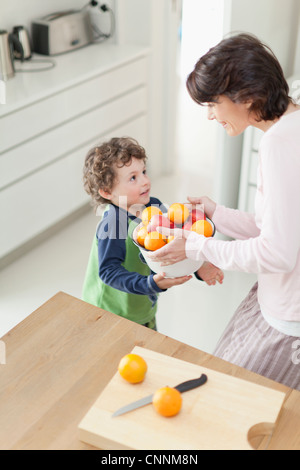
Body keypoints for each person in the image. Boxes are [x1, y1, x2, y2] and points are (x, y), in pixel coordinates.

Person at [148, 33, 300, 390]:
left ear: (247, 97)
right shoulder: (292, 129)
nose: (210, 115)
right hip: (276, 299)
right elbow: (280, 231)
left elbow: (275, 253)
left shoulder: (279, 144)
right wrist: (217, 213)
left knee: (225, 402)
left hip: (287, 318)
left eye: (213, 103)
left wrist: (196, 247)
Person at [82, 136, 223, 330]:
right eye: (133, 178)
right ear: (107, 192)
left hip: (143, 304)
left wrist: (198, 266)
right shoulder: (113, 224)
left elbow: (174, 243)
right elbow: (108, 271)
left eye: (144, 172)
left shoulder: (154, 206)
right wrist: (148, 283)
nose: (145, 181)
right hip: (111, 313)